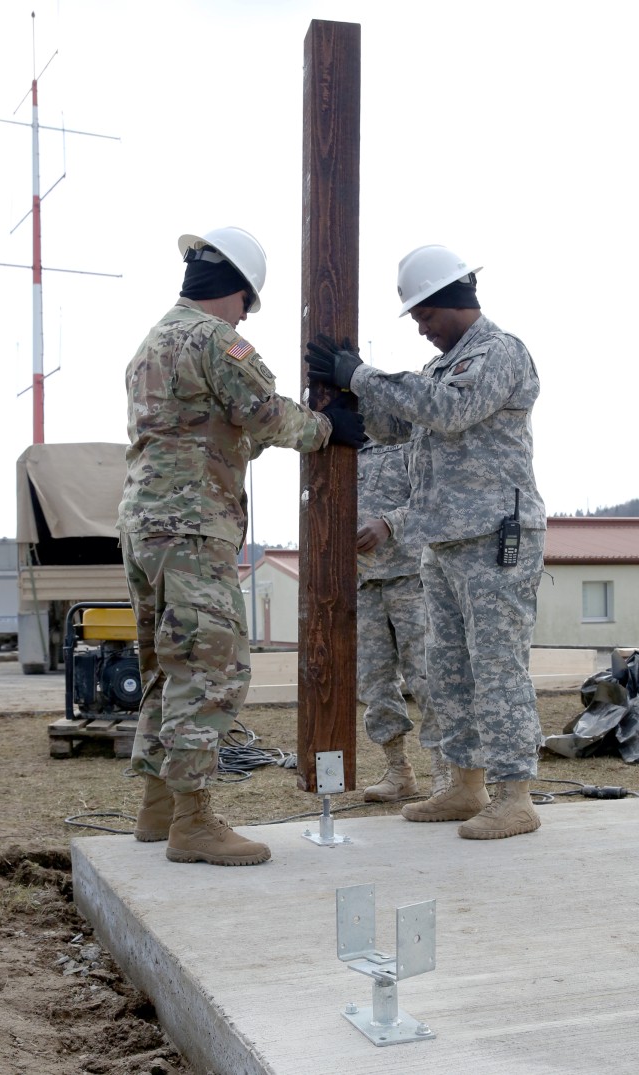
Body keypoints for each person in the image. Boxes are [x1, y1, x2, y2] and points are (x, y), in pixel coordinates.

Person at [117, 225, 365, 867]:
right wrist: (328, 428)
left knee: (165, 664)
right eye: (247, 305)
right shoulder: (215, 340)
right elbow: (263, 414)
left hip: (143, 523)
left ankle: (158, 809)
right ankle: (194, 823)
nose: (244, 315)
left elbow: (206, 429)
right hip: (194, 522)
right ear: (240, 294)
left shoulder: (151, 343)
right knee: (211, 666)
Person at [306, 243, 547, 840]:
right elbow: (401, 429)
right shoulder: (444, 365)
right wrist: (353, 396)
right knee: (448, 669)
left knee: (496, 666)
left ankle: (515, 794)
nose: (421, 328)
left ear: (453, 301)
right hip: (440, 541)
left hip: (494, 536)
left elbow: (447, 411)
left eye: (425, 316)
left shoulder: (497, 352)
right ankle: (464, 785)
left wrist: (362, 375)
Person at [356, 436, 448, 802]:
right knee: (374, 681)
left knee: (426, 677)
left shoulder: (413, 443)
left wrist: (389, 523)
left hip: (411, 577)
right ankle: (399, 771)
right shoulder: (348, 450)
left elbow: (432, 499)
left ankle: (445, 771)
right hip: (363, 581)